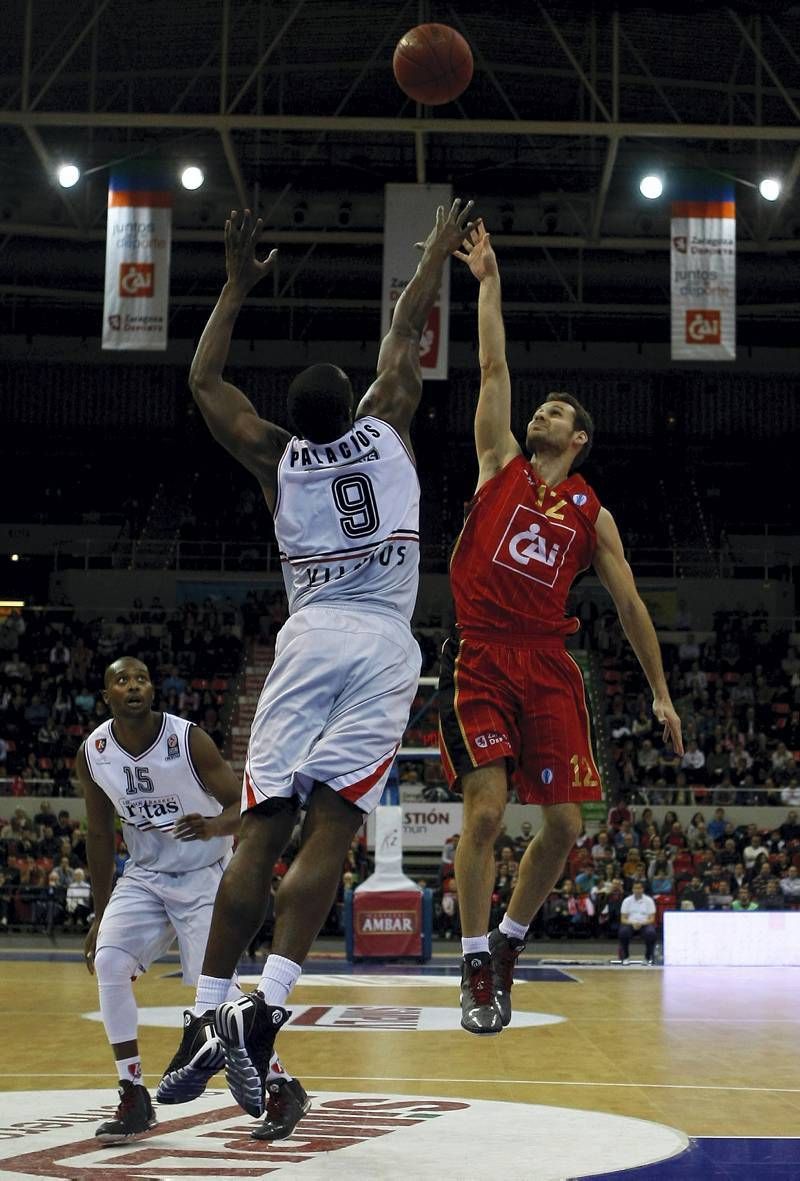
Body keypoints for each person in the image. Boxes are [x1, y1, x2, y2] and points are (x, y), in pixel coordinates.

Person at [159, 201, 476, 1130]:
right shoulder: (392, 421)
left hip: (306, 637)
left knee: (261, 829)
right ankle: (267, 1005)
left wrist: (235, 283)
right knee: (335, 831)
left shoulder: (271, 456)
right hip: (383, 644)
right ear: (360, 400)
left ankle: (207, 1008)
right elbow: (405, 328)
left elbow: (203, 377)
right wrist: (433, 255)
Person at [437, 221, 682, 1033]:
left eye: (554, 412)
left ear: (576, 440)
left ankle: (508, 940)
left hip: (548, 661)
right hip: (478, 653)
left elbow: (632, 605)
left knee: (568, 823)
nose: (536, 413)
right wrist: (487, 280)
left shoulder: (591, 511)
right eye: (536, 408)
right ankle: (475, 962)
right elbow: (494, 363)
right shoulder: (495, 459)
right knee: (482, 813)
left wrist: (660, 692)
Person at [77, 657, 242, 1144]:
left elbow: (243, 805)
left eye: (141, 679)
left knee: (221, 996)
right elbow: (100, 833)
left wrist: (213, 826)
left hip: (204, 874)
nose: (133, 686)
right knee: (108, 961)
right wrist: (101, 911)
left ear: (154, 690)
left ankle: (278, 1084)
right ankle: (133, 1095)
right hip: (145, 874)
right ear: (106, 696)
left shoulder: (188, 740)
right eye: (122, 680)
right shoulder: (95, 752)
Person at [618, 880, 658, 963]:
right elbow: (623, 919)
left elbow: (652, 919)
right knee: (623, 932)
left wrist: (641, 923)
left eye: (639, 888)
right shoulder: (626, 901)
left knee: (651, 933)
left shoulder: (649, 901)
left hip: (645, 923)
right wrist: (633, 923)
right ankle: (625, 957)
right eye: (635, 888)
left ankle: (647, 957)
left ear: (643, 889)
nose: (637, 890)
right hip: (630, 923)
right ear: (632, 889)